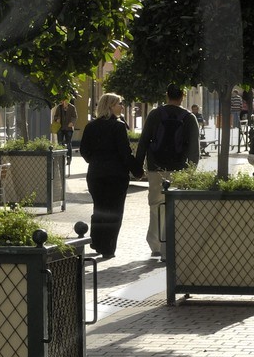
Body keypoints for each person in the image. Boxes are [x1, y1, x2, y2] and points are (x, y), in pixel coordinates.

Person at [137, 85, 199, 259]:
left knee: (155, 205)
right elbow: (194, 148)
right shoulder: (189, 117)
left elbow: (143, 141)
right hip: (179, 169)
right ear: (183, 96)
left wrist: (138, 167)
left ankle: (155, 244)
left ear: (166, 95)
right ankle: (169, 246)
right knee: (175, 207)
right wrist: (191, 171)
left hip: (156, 167)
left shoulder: (155, 115)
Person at [79, 92, 140, 260]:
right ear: (111, 106)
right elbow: (125, 153)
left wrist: (95, 161)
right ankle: (108, 248)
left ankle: (97, 242)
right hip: (116, 176)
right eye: (119, 103)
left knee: (99, 208)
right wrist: (137, 171)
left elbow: (84, 150)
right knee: (114, 211)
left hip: (96, 174)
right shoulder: (118, 126)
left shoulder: (91, 126)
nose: (122, 106)